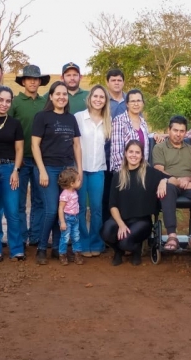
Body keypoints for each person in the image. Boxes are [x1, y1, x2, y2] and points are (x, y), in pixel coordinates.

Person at [32, 81, 82, 265]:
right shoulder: (42, 117)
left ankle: (56, 249)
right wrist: (42, 170)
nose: (62, 97)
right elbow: (35, 145)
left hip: (67, 169)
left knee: (64, 208)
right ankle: (42, 248)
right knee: (52, 209)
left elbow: (76, 145)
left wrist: (79, 170)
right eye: (58, 94)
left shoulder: (71, 119)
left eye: (65, 94)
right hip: (48, 168)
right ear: (51, 96)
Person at [102, 140, 173, 266]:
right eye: (131, 152)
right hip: (121, 219)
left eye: (137, 152)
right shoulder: (118, 176)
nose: (134, 155)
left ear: (141, 155)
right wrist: (121, 224)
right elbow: (112, 205)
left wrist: (164, 181)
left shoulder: (150, 173)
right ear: (125, 153)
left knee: (125, 242)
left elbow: (174, 179)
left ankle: (136, 250)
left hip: (141, 222)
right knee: (106, 231)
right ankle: (118, 251)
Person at [10, 64, 50, 248]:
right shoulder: (15, 102)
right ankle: (20, 237)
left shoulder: (45, 102)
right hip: (20, 159)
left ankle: (35, 237)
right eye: (29, 79)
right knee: (18, 202)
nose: (33, 82)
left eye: (36, 79)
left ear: (40, 82)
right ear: (23, 81)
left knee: (39, 200)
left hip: (40, 160)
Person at [0, 86, 25, 262]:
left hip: (10, 169)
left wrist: (16, 171)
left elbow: (19, 148)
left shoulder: (15, 123)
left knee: (12, 211)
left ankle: (16, 248)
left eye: (8, 101)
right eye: (1, 100)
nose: (4, 104)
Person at [153, 115, 191, 252]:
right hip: (169, 184)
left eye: (182, 131)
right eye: (175, 130)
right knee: (168, 188)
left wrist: (187, 180)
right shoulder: (160, 148)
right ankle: (172, 236)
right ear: (169, 130)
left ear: (186, 132)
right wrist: (178, 181)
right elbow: (159, 171)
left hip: (188, 185)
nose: (178, 134)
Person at [74, 85, 111, 257]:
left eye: (101, 97)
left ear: (105, 101)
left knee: (96, 208)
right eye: (95, 96)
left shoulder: (108, 120)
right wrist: (77, 169)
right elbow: (74, 144)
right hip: (80, 170)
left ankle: (96, 242)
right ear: (90, 98)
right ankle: (82, 242)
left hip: (98, 170)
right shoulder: (79, 118)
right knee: (80, 208)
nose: (98, 99)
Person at [102, 68, 127, 224]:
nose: (117, 83)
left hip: (127, 157)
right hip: (105, 155)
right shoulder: (103, 100)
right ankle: (106, 231)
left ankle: (124, 229)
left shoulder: (130, 100)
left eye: (119, 80)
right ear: (108, 82)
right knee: (107, 195)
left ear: (123, 82)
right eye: (113, 80)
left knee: (124, 195)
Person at [110, 89, 149, 172]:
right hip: (124, 172)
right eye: (132, 101)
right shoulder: (119, 120)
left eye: (138, 100)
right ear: (127, 104)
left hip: (141, 170)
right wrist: (126, 172)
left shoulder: (143, 122)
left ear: (143, 103)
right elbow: (117, 152)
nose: (136, 104)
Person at [57, 167, 84, 265]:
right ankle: (62, 255)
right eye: (78, 180)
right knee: (65, 237)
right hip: (67, 218)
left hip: (75, 218)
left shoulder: (74, 191)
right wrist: (63, 222)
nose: (80, 180)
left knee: (76, 236)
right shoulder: (65, 194)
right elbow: (60, 208)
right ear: (72, 183)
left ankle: (77, 254)